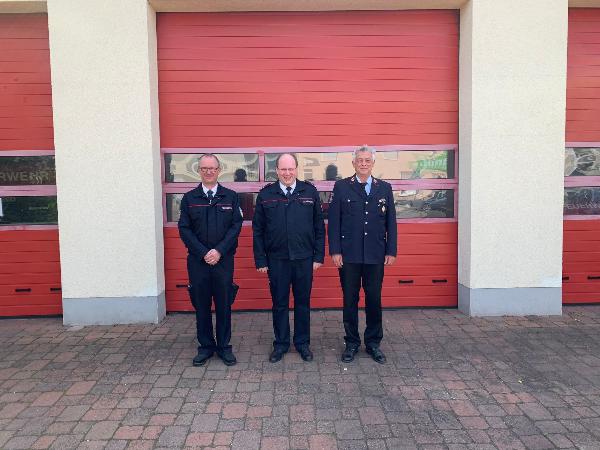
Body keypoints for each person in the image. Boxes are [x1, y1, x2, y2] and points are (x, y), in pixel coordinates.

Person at [253, 153, 325, 363]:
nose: (287, 173)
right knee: (279, 303)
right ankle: (281, 344)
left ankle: (302, 344)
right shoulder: (266, 194)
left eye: (290, 169)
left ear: (296, 169)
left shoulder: (309, 191)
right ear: (276, 170)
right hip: (277, 260)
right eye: (283, 169)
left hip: (304, 258)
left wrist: (318, 256)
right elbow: (258, 230)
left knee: (303, 303)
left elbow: (319, 227)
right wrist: (261, 260)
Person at [327, 145, 397, 364]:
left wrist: (391, 250)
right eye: (360, 160)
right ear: (354, 163)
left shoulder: (384, 188)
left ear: (373, 163)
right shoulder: (341, 187)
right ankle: (352, 343)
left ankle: (373, 343)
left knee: (374, 299)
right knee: (350, 300)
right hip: (349, 255)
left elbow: (391, 222)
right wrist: (335, 250)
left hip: (375, 254)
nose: (363, 163)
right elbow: (334, 222)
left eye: (367, 160)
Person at [178, 154, 243, 367]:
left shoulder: (230, 197)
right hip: (198, 262)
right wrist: (203, 252)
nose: (208, 172)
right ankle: (205, 347)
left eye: (212, 168)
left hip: (223, 261)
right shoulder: (189, 198)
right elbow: (184, 229)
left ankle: (224, 347)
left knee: (224, 305)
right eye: (204, 168)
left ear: (219, 170)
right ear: (199, 171)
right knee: (202, 305)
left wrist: (219, 251)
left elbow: (235, 227)